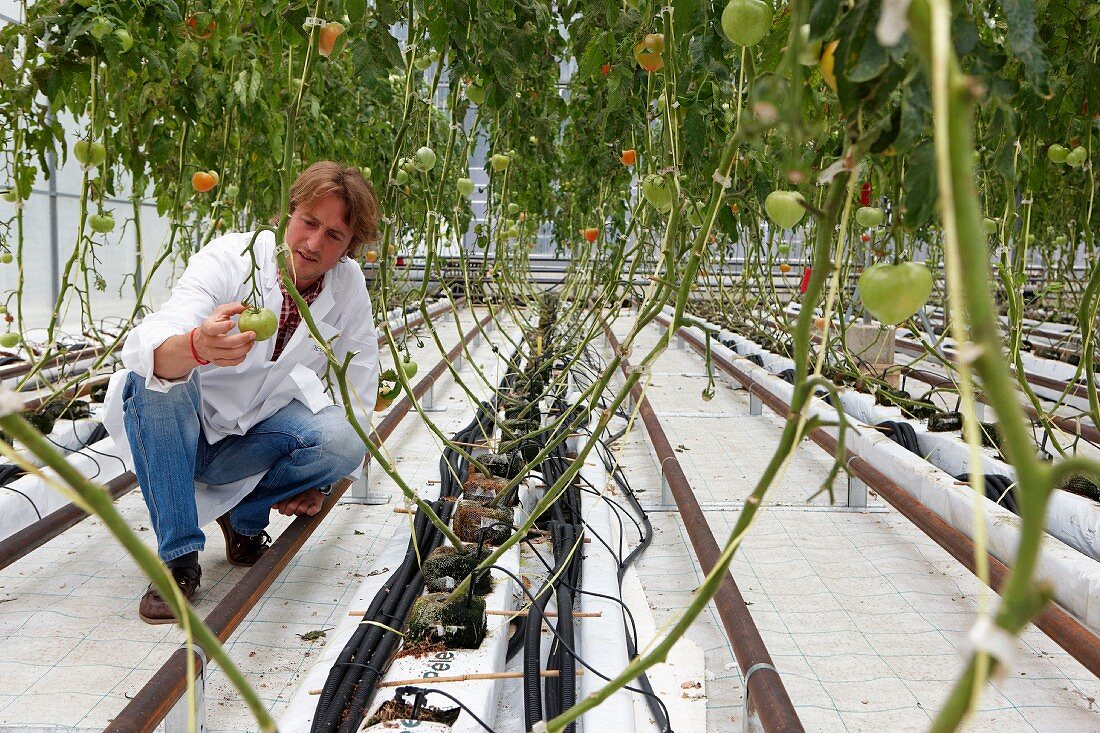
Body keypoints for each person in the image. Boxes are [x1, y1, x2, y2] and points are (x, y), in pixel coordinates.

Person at [102, 162, 381, 624]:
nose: (313, 244)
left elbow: (358, 380)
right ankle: (178, 559)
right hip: (179, 436)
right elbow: (155, 335)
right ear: (287, 216)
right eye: (309, 222)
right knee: (156, 380)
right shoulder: (232, 258)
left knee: (346, 437)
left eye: (333, 235)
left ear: (349, 248)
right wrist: (195, 347)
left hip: (250, 438)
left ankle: (245, 520)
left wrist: (321, 480)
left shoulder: (347, 284)